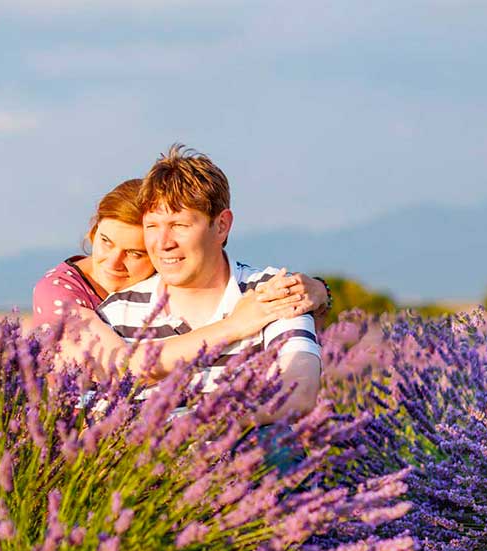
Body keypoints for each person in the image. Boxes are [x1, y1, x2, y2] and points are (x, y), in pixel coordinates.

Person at [97, 145, 321, 424]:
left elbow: (299, 390)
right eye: (153, 226)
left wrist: (206, 429)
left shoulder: (269, 291)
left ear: (222, 225)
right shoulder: (117, 313)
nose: (164, 243)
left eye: (180, 225)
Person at [31, 179, 329, 382]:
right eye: (106, 242)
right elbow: (122, 367)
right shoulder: (59, 292)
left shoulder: (167, 275)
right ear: (93, 232)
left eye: (135, 253)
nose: (113, 262)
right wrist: (235, 326)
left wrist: (317, 289)